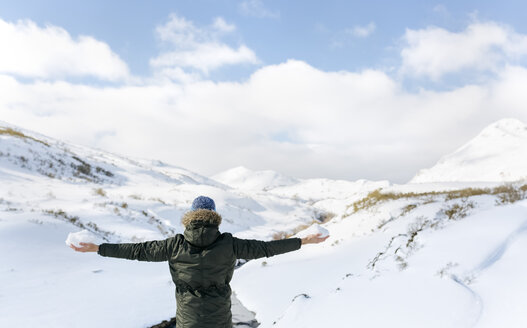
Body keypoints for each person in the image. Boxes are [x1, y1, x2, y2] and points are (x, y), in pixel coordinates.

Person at [71, 195, 329, 328]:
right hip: (219, 319)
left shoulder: (173, 245)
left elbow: (137, 251)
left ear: (191, 216)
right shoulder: (231, 244)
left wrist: (98, 248)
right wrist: (304, 240)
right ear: (214, 216)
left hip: (188, 320)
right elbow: (267, 249)